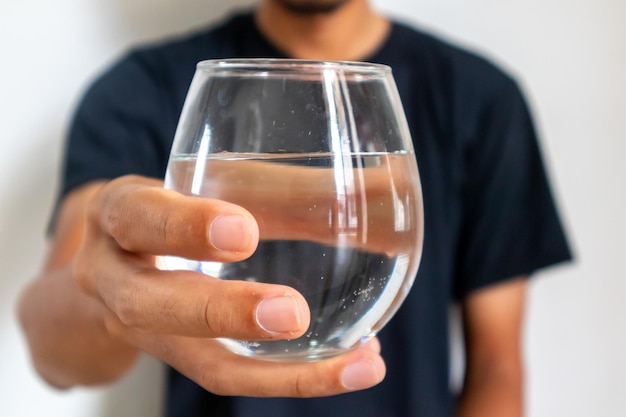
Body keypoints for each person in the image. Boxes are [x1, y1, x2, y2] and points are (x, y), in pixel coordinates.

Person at [17, 0, 572, 416]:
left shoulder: (480, 98)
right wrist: (103, 297)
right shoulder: (145, 90)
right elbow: (53, 350)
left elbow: (497, 368)